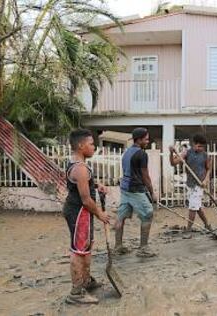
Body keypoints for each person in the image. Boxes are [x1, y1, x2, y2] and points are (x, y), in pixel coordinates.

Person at [63, 129, 110, 304]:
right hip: (79, 212)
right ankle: (76, 293)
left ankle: (86, 280)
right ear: (81, 146)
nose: (94, 147)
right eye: (91, 144)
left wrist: (97, 185)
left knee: (86, 245)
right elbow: (85, 200)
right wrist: (100, 214)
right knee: (79, 250)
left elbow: (82, 185)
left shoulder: (77, 163)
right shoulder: (81, 168)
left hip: (80, 211)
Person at [114, 127, 157, 257]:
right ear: (139, 139)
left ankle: (118, 246)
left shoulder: (127, 152)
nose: (148, 141)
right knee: (148, 214)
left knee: (121, 216)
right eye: (146, 139)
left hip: (125, 188)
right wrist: (152, 192)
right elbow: (145, 175)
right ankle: (143, 248)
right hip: (135, 189)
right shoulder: (141, 154)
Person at [169, 134, 212, 239]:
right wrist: (171, 153)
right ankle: (207, 225)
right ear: (194, 144)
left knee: (192, 207)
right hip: (190, 183)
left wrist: (206, 180)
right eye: (198, 146)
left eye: (202, 146)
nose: (200, 148)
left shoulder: (205, 155)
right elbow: (173, 163)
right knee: (196, 206)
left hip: (199, 185)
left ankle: (188, 230)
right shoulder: (187, 153)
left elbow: (208, 169)